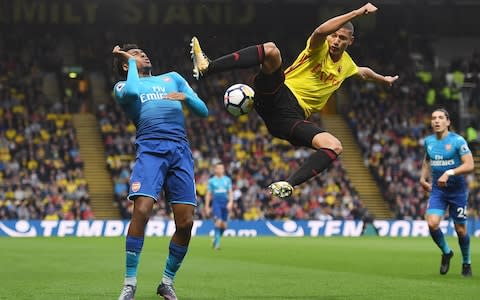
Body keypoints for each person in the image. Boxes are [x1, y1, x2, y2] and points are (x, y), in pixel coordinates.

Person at [190, 2, 398, 198]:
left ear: (350, 41)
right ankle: (208, 67)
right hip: (278, 94)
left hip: (289, 120)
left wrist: (384, 79)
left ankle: (288, 183)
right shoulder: (318, 48)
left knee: (334, 145)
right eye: (334, 36)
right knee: (271, 51)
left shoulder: (347, 65)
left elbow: (363, 72)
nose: (335, 41)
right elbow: (319, 32)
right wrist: (357, 12)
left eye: (342, 38)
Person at [112, 44, 208, 300]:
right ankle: (130, 283)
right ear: (125, 65)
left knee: (186, 223)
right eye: (135, 55)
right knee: (142, 210)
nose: (144, 54)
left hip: (180, 151)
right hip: (150, 150)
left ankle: (167, 281)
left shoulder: (173, 78)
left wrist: (186, 97)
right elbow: (131, 89)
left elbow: (203, 110)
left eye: (144, 52)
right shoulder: (122, 87)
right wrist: (129, 63)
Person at [419, 108, 475, 277]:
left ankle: (466, 263)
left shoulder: (458, 141)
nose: (436, 121)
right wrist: (422, 179)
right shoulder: (428, 141)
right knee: (432, 223)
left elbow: (470, 165)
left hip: (457, 192)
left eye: (440, 118)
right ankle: (447, 252)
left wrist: (449, 172)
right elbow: (427, 160)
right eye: (433, 118)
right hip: (438, 191)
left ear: (448, 122)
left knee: (460, 230)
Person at [205, 162, 234, 250]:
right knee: (218, 222)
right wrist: (207, 206)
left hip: (225, 202)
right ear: (215, 170)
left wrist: (230, 202)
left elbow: (230, 192)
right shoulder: (211, 181)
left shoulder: (227, 180)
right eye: (218, 168)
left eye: (222, 168)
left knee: (224, 225)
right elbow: (208, 194)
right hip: (216, 202)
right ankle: (217, 245)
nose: (220, 170)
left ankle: (215, 240)